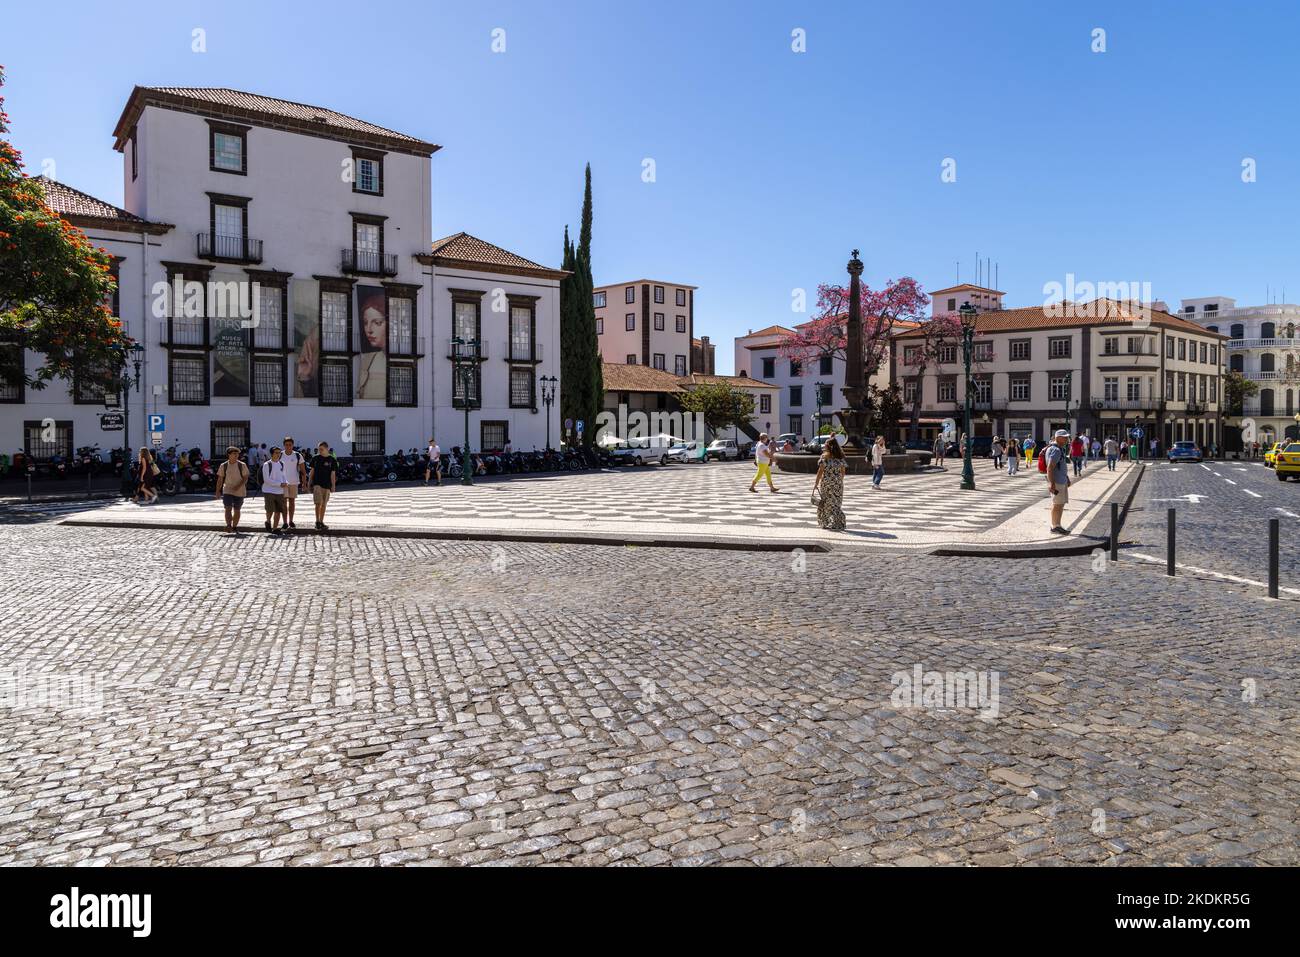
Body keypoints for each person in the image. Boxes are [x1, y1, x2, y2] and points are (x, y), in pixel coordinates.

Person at [813, 435, 847, 530]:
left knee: (825, 502)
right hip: (838, 484)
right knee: (836, 503)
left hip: (826, 484)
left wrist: (816, 483)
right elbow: (843, 472)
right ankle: (838, 523)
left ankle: (825, 522)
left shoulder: (824, 458)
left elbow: (820, 471)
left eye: (825, 445)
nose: (824, 447)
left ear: (828, 447)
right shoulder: (840, 458)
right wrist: (838, 481)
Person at [214, 446, 249, 534]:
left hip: (240, 490)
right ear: (229, 455)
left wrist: (238, 486)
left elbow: (245, 478)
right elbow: (220, 479)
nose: (236, 455)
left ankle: (234, 526)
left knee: (237, 510)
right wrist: (218, 491)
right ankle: (229, 525)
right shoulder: (224, 465)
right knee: (228, 508)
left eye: (237, 454)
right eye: (234, 454)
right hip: (227, 490)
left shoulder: (242, 465)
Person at [1045, 429, 1072, 535]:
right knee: (1057, 504)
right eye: (1064, 437)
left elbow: (1060, 466)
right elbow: (1050, 467)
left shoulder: (1058, 449)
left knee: (1060, 504)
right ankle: (1055, 526)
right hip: (1057, 482)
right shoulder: (1055, 450)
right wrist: (1052, 483)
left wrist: (1066, 478)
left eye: (1067, 437)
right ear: (1058, 438)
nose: (1066, 439)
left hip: (1061, 480)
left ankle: (1057, 525)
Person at [261, 446, 290, 535]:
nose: (278, 454)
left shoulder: (282, 464)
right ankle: (268, 521)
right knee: (269, 510)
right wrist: (279, 484)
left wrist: (286, 483)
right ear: (272, 454)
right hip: (269, 490)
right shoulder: (267, 464)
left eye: (279, 453)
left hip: (280, 491)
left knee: (278, 510)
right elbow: (266, 479)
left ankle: (275, 528)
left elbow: (283, 476)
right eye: (276, 453)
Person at [308, 441, 337, 531]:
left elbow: (333, 474)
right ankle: (317, 521)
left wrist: (333, 486)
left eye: (321, 449)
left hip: (327, 484)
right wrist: (309, 483)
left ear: (327, 449)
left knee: (324, 504)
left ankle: (321, 521)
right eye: (318, 449)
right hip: (317, 484)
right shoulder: (315, 458)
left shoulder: (332, 460)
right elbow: (311, 471)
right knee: (318, 503)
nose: (319, 451)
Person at [281, 437, 307, 529]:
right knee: (284, 503)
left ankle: (291, 520)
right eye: (286, 445)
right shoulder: (280, 455)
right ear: (284, 445)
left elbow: (303, 471)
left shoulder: (298, 455)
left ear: (293, 445)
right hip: (283, 483)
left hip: (294, 482)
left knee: (292, 502)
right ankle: (284, 522)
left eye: (290, 445)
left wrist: (304, 483)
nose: (288, 446)